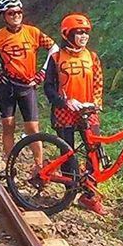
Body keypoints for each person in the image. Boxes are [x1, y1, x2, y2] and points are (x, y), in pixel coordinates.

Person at [0, 0, 59, 163]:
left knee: (33, 128)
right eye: (11, 13)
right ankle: (10, 165)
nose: (16, 15)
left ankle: (39, 165)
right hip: (7, 86)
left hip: (28, 86)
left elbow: (54, 48)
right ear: (3, 16)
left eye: (19, 12)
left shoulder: (33, 32)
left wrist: (44, 71)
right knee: (8, 125)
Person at [44, 13, 107, 215]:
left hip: (89, 112)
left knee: (94, 151)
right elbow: (49, 88)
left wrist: (95, 102)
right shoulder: (56, 58)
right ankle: (70, 192)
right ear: (67, 34)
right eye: (78, 32)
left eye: (86, 33)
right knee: (67, 152)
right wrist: (65, 102)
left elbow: (98, 82)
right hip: (65, 113)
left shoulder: (92, 57)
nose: (83, 36)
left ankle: (89, 195)